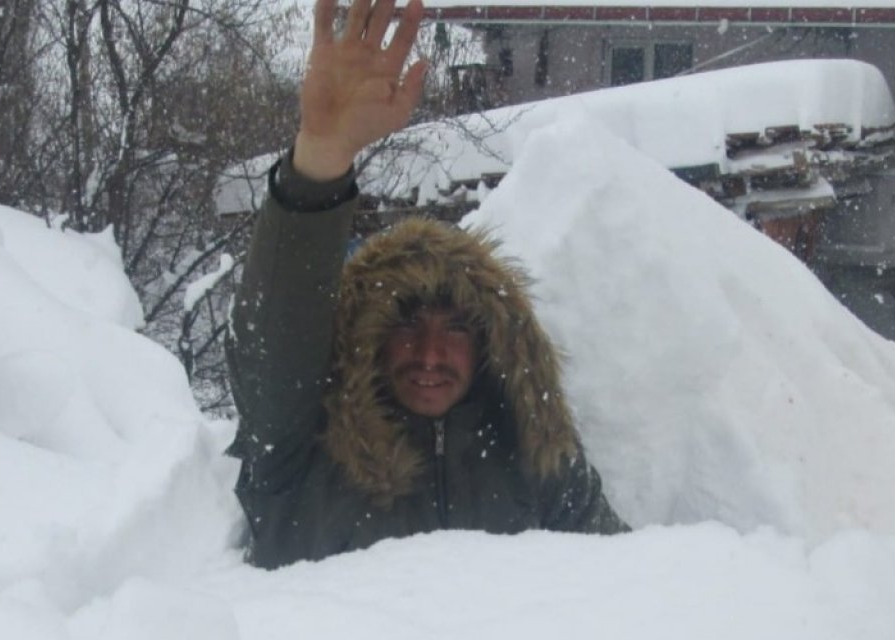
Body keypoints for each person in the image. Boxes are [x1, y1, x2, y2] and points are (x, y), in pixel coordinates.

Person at [227, 0, 629, 570]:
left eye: (458, 329)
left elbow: (639, 588)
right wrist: (321, 158)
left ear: (492, 343)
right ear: (370, 336)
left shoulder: (534, 461)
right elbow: (273, 347)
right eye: (409, 323)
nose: (431, 354)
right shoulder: (302, 447)